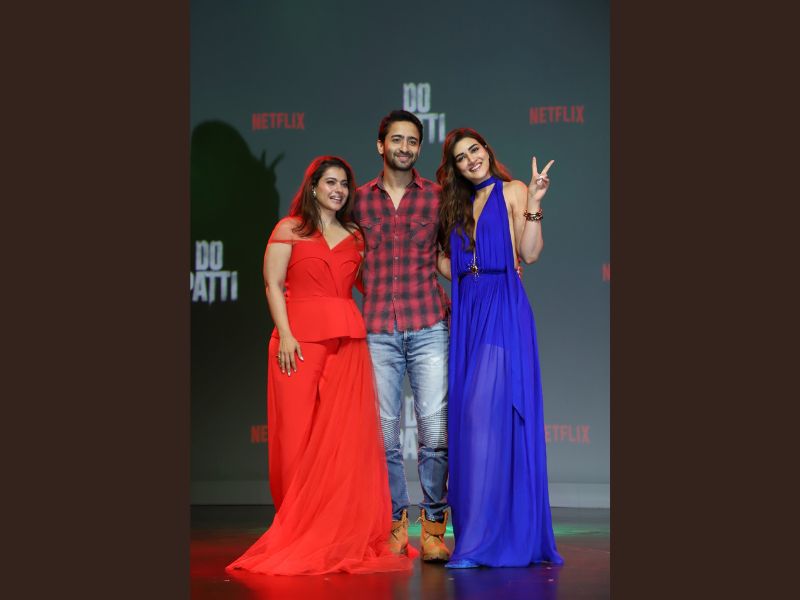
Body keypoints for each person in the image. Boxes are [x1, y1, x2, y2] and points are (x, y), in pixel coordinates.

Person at [226, 156, 414, 576]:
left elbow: (377, 285)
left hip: (348, 344)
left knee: (345, 442)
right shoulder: (289, 229)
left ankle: (336, 530)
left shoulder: (356, 236)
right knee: (296, 439)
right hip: (297, 343)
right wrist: (285, 334)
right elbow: (273, 284)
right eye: (330, 182)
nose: (339, 190)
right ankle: (296, 528)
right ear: (313, 186)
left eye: (344, 184)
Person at [435, 128, 564, 568]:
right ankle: (481, 534)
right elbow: (446, 261)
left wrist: (536, 201)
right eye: (460, 157)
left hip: (503, 307)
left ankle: (482, 542)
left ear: (487, 151)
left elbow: (530, 252)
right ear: (454, 167)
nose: (471, 159)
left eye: (475, 150)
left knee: (483, 414)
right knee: (474, 423)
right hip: (469, 311)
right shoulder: (456, 205)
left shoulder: (513, 190)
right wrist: (461, 274)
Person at [352, 110, 451, 561]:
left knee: (434, 434)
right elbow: (346, 259)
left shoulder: (436, 197)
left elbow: (451, 253)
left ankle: (432, 529)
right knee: (385, 437)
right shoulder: (358, 201)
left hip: (428, 325)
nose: (405, 148)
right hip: (377, 330)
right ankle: (395, 525)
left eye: (412, 141)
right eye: (397, 140)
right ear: (381, 145)